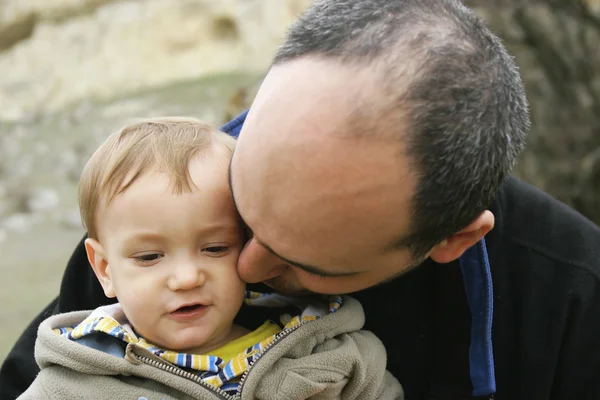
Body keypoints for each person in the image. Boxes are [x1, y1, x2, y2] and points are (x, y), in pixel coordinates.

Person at [2, 0, 600, 399]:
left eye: (307, 264)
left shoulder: (574, 303)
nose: (245, 266)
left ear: (452, 240)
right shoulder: (160, 207)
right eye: (241, 219)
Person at [15, 117, 402, 400]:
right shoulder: (73, 383)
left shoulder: (324, 350)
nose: (186, 278)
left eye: (215, 248)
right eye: (150, 256)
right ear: (104, 268)